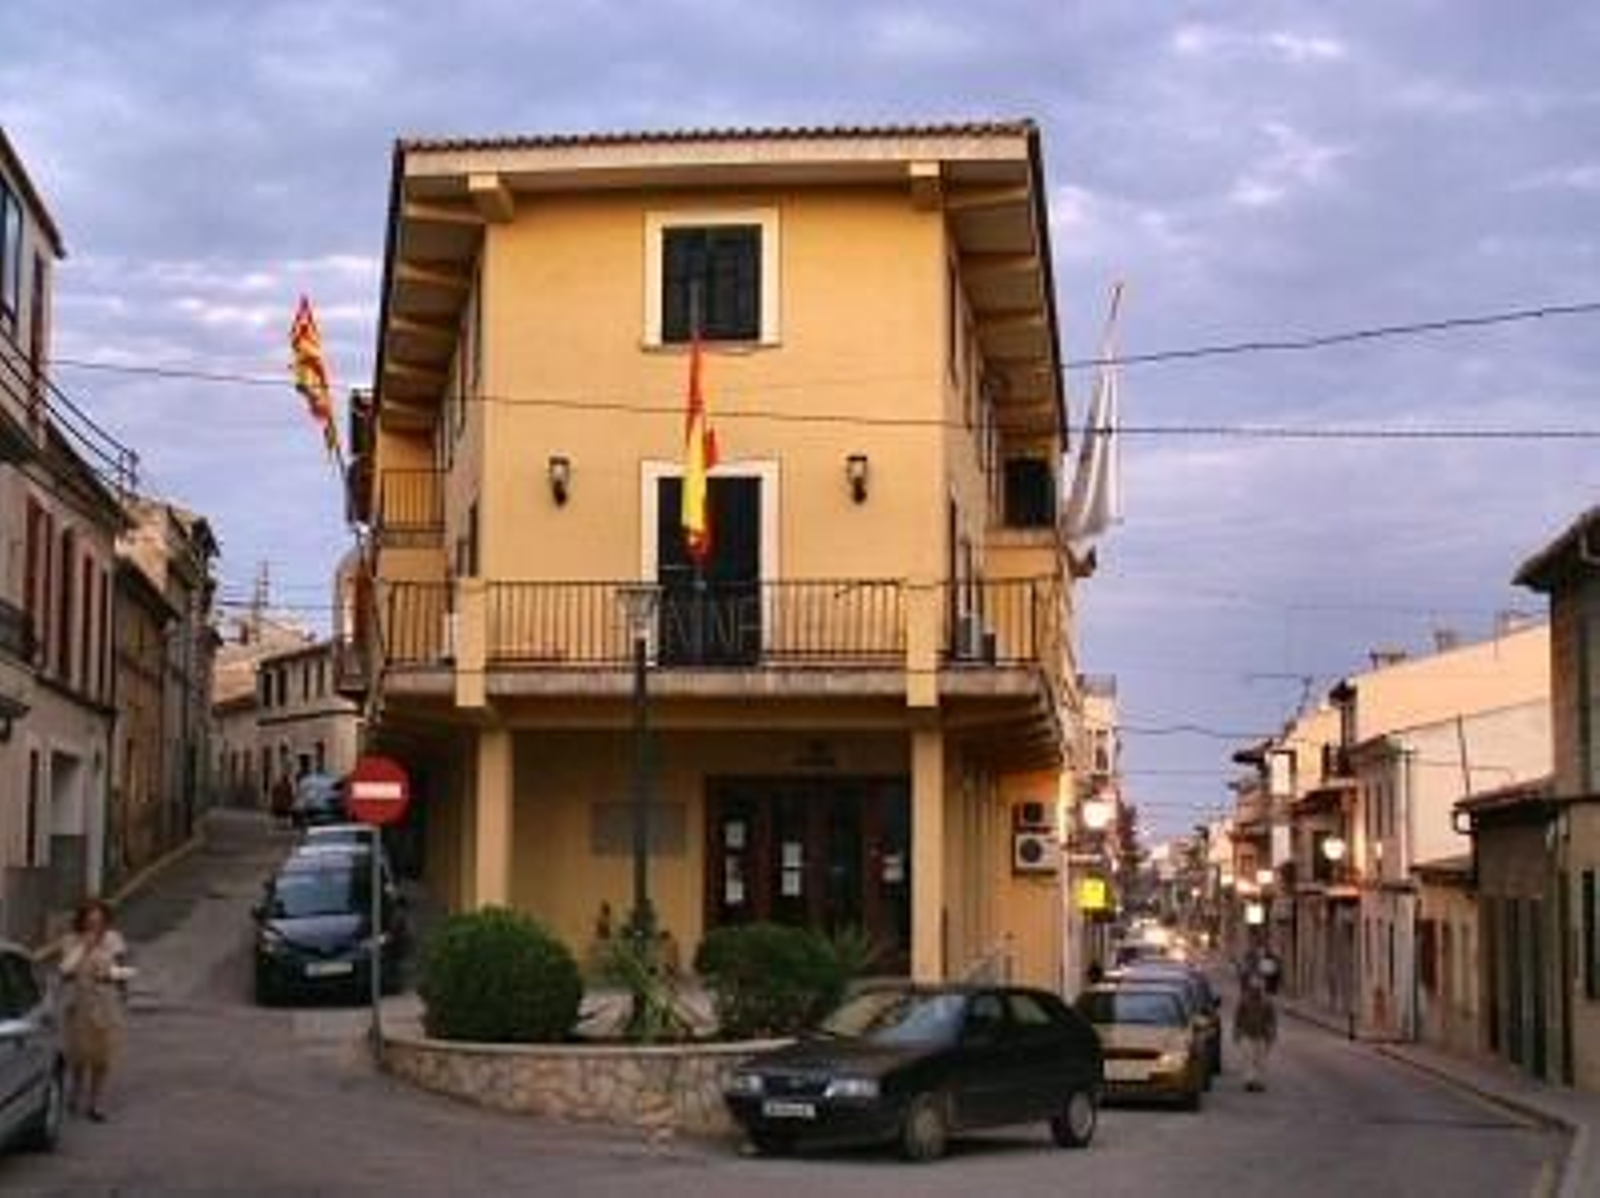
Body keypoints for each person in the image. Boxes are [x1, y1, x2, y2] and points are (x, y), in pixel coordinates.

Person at [60, 899, 132, 1121]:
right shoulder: (71, 940)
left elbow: (123, 969)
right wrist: (85, 947)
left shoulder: (114, 939)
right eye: (90, 921)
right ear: (82, 921)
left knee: (102, 1055)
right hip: (79, 1000)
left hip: (105, 1001)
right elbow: (65, 971)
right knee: (79, 1053)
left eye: (99, 922)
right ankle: (75, 1093)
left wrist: (120, 987)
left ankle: (95, 1102)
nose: (95, 926)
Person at [1234, 974, 1278, 1092]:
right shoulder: (1244, 1000)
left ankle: (1259, 1081)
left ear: (1262, 989)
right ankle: (1249, 1081)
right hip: (1247, 1034)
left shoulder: (1267, 1002)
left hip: (1262, 1035)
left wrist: (1272, 1034)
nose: (1256, 991)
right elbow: (1238, 1017)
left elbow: (1272, 1019)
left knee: (1260, 1060)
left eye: (1258, 989)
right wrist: (1237, 1032)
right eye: (1254, 989)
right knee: (1248, 1058)